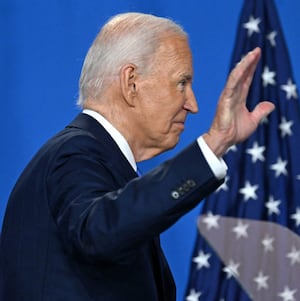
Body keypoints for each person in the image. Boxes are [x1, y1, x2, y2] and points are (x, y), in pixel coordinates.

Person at [0, 12, 274, 301]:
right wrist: (214, 143)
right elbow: (101, 230)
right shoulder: (75, 154)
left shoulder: (101, 163)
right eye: (182, 83)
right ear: (131, 83)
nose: (193, 105)